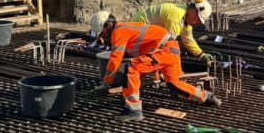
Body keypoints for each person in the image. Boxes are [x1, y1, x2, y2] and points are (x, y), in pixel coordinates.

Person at [88, 11, 220, 122]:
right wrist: (154, 76)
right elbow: (145, 55)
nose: (103, 37)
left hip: (164, 51)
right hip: (171, 49)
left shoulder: (119, 32)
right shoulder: (126, 28)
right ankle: (206, 96)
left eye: (102, 33)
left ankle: (133, 111)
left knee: (131, 69)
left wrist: (106, 83)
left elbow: (115, 59)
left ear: (108, 24)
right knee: (174, 83)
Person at [131, 0, 215, 61]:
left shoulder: (184, 15)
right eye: (198, 19)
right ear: (194, 11)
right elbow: (167, 44)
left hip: (145, 29)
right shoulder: (176, 18)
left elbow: (188, 39)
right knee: (158, 53)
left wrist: (201, 54)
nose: (197, 23)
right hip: (138, 29)